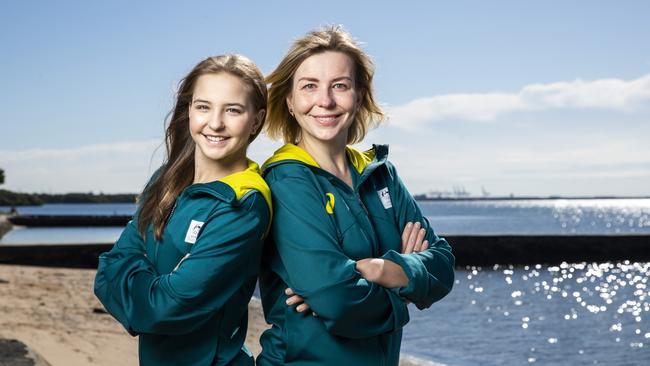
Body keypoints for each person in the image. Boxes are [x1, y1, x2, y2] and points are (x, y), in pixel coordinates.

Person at [257, 26, 455, 366]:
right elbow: (337, 300)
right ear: (289, 101)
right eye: (309, 86)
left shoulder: (381, 174)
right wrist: (406, 283)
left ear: (359, 95)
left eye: (340, 85)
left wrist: (385, 269)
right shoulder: (285, 180)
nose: (326, 101)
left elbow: (444, 265)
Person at [93, 54, 271, 366]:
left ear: (256, 120)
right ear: (188, 110)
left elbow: (165, 309)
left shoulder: (244, 201)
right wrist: (161, 281)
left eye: (233, 110)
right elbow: (107, 273)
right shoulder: (166, 180)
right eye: (203, 107)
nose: (215, 123)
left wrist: (141, 272)